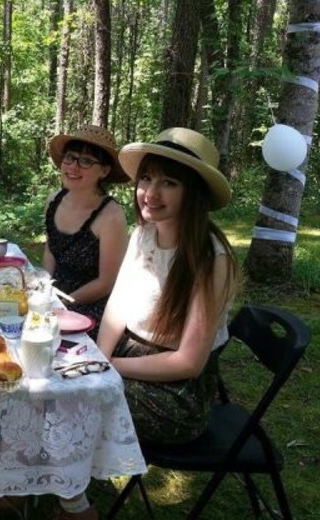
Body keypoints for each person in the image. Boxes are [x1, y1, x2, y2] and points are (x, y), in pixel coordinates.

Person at [98, 127, 239, 445]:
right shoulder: (143, 234)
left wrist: (108, 367)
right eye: (146, 178)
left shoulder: (210, 259)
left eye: (169, 183)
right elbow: (118, 305)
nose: (150, 193)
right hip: (128, 359)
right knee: (58, 381)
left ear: (194, 193)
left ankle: (68, 489)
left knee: (73, 399)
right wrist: (98, 358)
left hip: (175, 393)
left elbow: (188, 362)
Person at [44, 125, 130, 338]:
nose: (73, 167)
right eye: (70, 157)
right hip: (53, 297)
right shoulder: (53, 200)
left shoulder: (111, 216)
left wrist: (63, 303)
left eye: (86, 161)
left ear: (104, 171)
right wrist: (45, 287)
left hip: (89, 306)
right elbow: (51, 248)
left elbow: (106, 282)